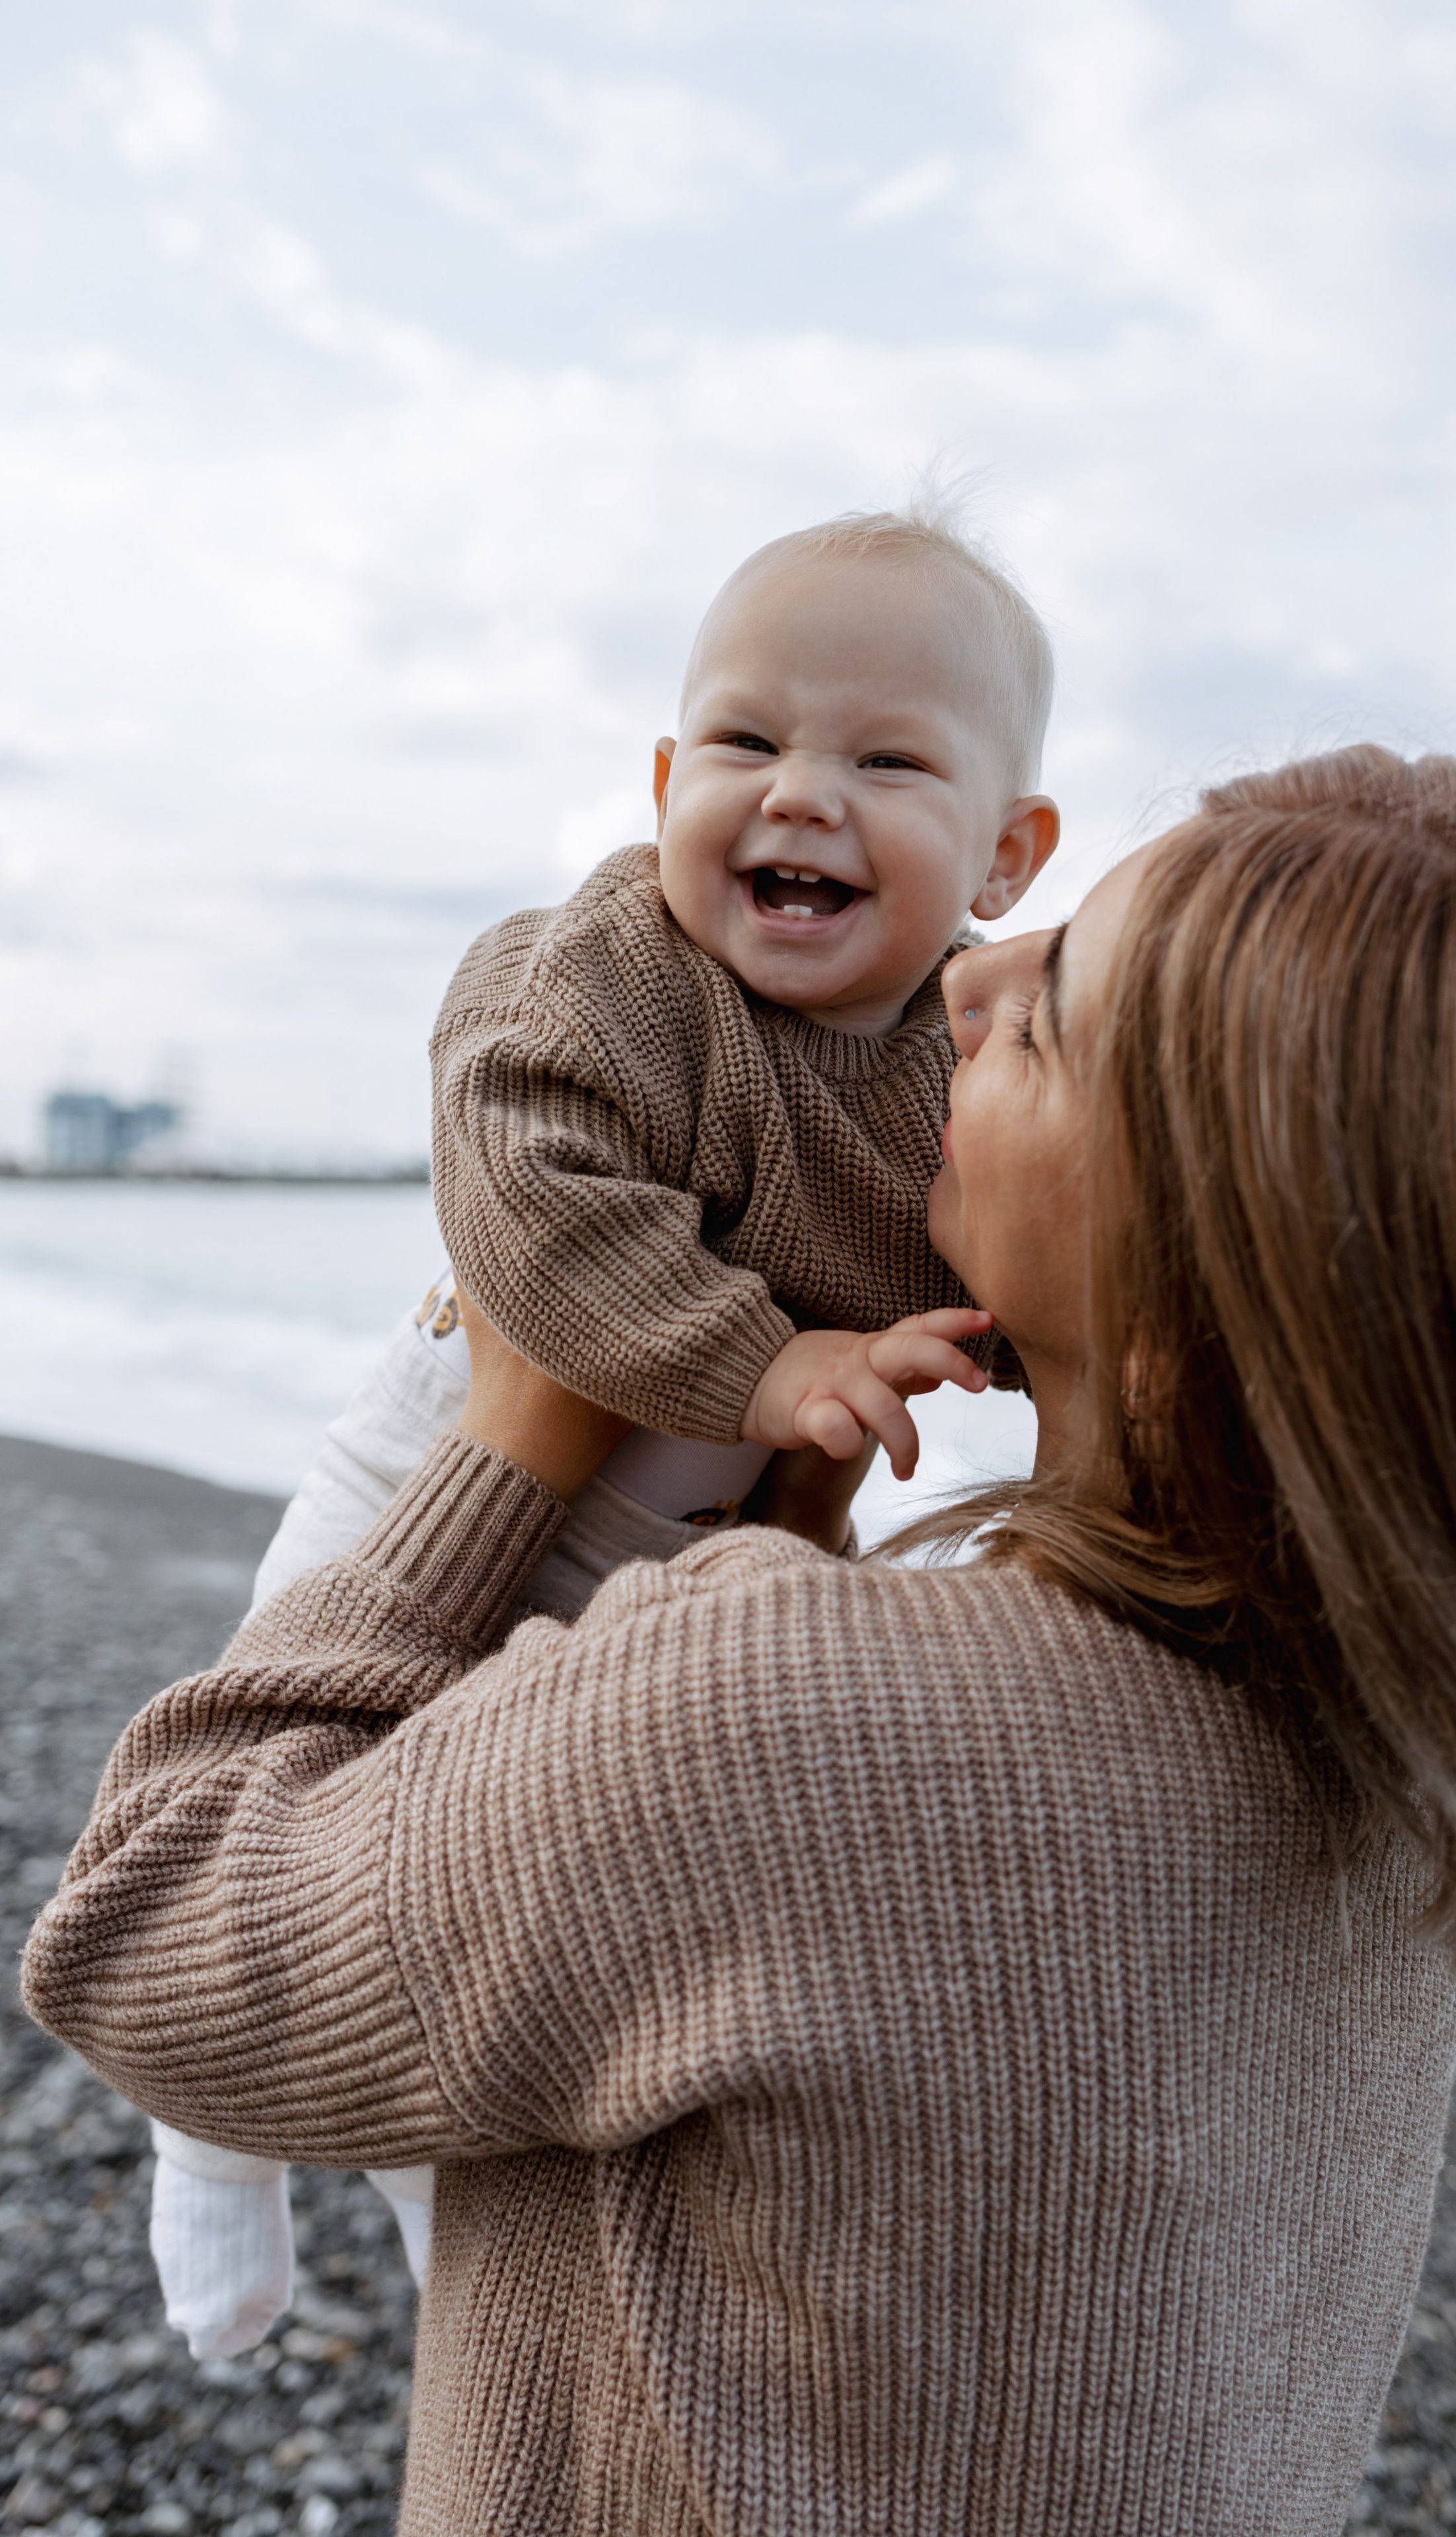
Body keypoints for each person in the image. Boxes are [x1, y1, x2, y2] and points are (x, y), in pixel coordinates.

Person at [28, 748, 1456, 2537]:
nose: (966, 974)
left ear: (1207, 1308)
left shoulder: (789, 1712)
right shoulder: (1412, 1770)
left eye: (1049, 1023)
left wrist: (506, 1447)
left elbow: (153, 1949)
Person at [143, 497, 1061, 2358]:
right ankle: (203, 2135)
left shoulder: (955, 1077)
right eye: (744, 741)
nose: (797, 795)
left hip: (677, 1551)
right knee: (279, 1738)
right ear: (660, 781)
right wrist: (765, 1370)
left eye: (886, 759)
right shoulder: (605, 967)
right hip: (436, 1466)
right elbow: (529, 1190)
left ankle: (449, 2268)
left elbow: (1028, 1295)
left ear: (1006, 851)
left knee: (456, 1918)